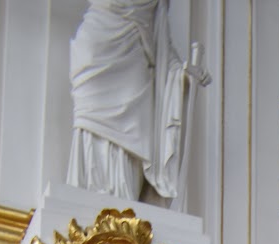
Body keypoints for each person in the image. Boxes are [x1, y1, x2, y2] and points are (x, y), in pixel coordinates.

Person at [67, 0, 211, 207]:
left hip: (135, 61)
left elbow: (160, 40)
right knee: (92, 129)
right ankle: (92, 202)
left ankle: (123, 208)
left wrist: (182, 75)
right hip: (97, 52)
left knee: (133, 137)